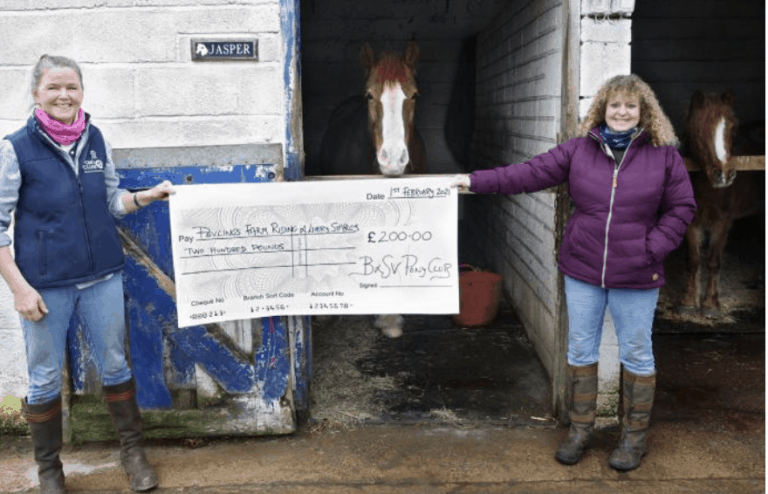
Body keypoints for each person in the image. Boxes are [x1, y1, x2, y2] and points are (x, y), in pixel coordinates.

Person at [453, 74, 696, 471]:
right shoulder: (579, 151)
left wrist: (653, 247)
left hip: (637, 272)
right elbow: (527, 173)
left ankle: (632, 440)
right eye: (614, 105)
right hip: (583, 269)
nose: (621, 112)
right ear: (602, 108)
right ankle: (580, 431)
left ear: (643, 112)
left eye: (630, 106)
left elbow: (682, 207)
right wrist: (473, 181)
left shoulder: (663, 155)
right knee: (581, 348)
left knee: (636, 351)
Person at [0, 55, 174, 493]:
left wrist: (147, 197)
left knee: (114, 363)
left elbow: (112, 203)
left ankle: (133, 453)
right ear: (37, 93)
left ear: (82, 91)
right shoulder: (15, 147)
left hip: (102, 277)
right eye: (54, 87)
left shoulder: (96, 139)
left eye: (72, 87)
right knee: (42, 377)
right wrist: (19, 288)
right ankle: (50, 471)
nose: (64, 95)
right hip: (44, 286)